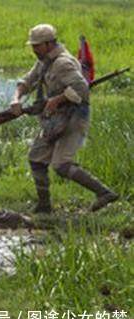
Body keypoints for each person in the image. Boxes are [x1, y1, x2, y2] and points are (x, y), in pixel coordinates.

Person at [10, 24, 118, 213]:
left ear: (49, 44)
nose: (34, 49)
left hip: (74, 116)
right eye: (33, 45)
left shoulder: (63, 63)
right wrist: (16, 99)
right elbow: (27, 81)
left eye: (37, 45)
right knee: (36, 158)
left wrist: (58, 99)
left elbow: (82, 89)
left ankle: (105, 193)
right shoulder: (44, 61)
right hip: (53, 118)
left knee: (61, 164)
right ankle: (44, 206)